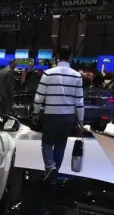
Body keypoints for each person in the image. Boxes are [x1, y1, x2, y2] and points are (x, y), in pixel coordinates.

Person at [33, 45, 84, 183]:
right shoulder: (77, 75)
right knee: (61, 143)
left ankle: (50, 166)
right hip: (68, 116)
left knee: (47, 142)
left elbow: (39, 96)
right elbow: (79, 100)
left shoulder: (48, 73)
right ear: (70, 57)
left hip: (50, 114)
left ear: (56, 56)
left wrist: (35, 112)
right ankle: (54, 175)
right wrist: (81, 119)